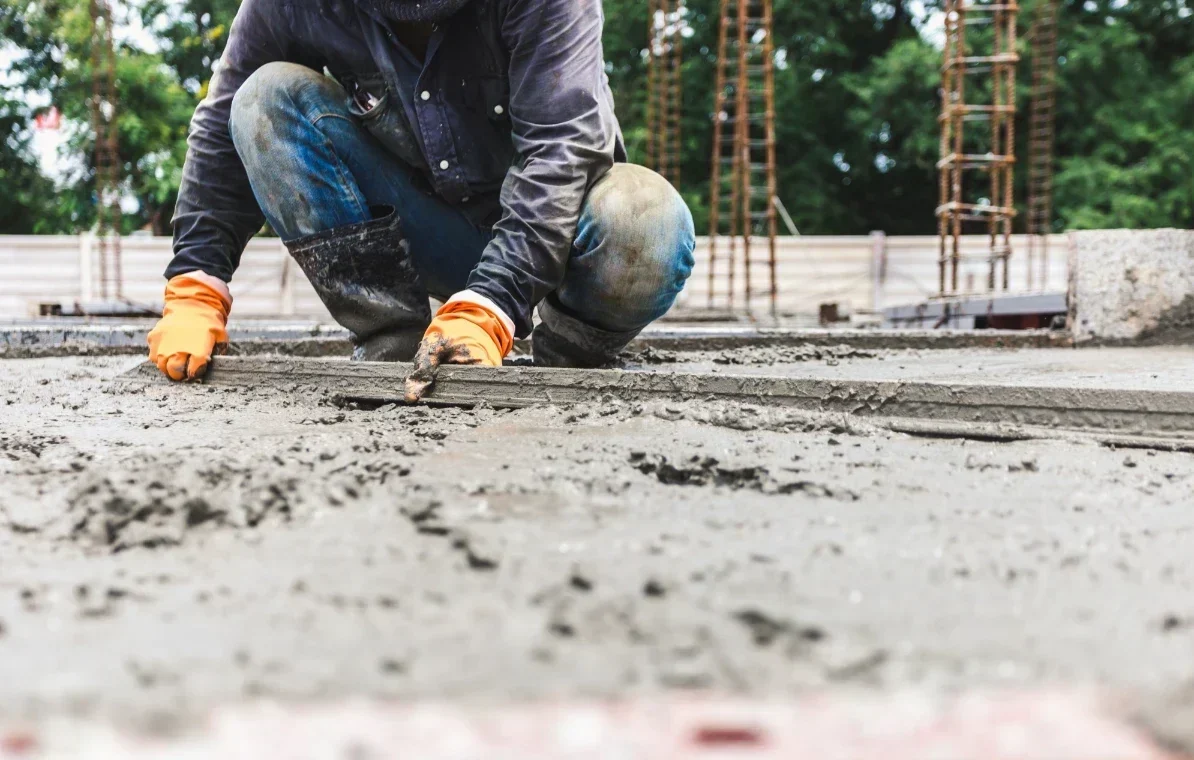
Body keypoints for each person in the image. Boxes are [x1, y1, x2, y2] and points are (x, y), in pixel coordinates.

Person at [146, 0, 696, 400]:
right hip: (435, 233)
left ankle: (565, 360)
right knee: (264, 99)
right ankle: (391, 339)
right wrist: (196, 281)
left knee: (648, 220)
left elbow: (563, 149)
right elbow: (220, 127)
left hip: (565, 240)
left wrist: (493, 303)